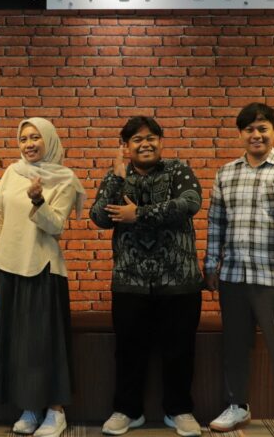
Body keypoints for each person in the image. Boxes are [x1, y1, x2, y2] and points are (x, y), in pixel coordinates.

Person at [203, 103, 274, 437]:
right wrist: (211, 265)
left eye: (262, 128)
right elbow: (216, 223)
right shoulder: (226, 173)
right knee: (235, 346)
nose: (256, 135)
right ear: (241, 134)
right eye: (249, 129)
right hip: (234, 277)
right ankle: (237, 406)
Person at [89, 116, 204, 437]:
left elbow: (190, 204)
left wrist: (137, 214)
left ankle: (179, 411)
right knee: (128, 352)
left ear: (161, 142)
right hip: (130, 281)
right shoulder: (117, 176)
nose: (145, 144)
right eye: (137, 139)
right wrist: (116, 180)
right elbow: (99, 217)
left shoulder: (177, 170)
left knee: (180, 351)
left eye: (151, 137)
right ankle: (128, 411)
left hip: (179, 281)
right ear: (126, 147)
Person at [0, 117, 86, 437]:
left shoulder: (65, 179)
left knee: (45, 343)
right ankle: (29, 407)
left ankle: (55, 411)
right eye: (24, 138)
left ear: (49, 140)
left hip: (43, 268)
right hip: (7, 267)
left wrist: (38, 199)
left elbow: (55, 225)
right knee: (17, 342)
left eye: (35, 138)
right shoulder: (12, 172)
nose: (28, 144)